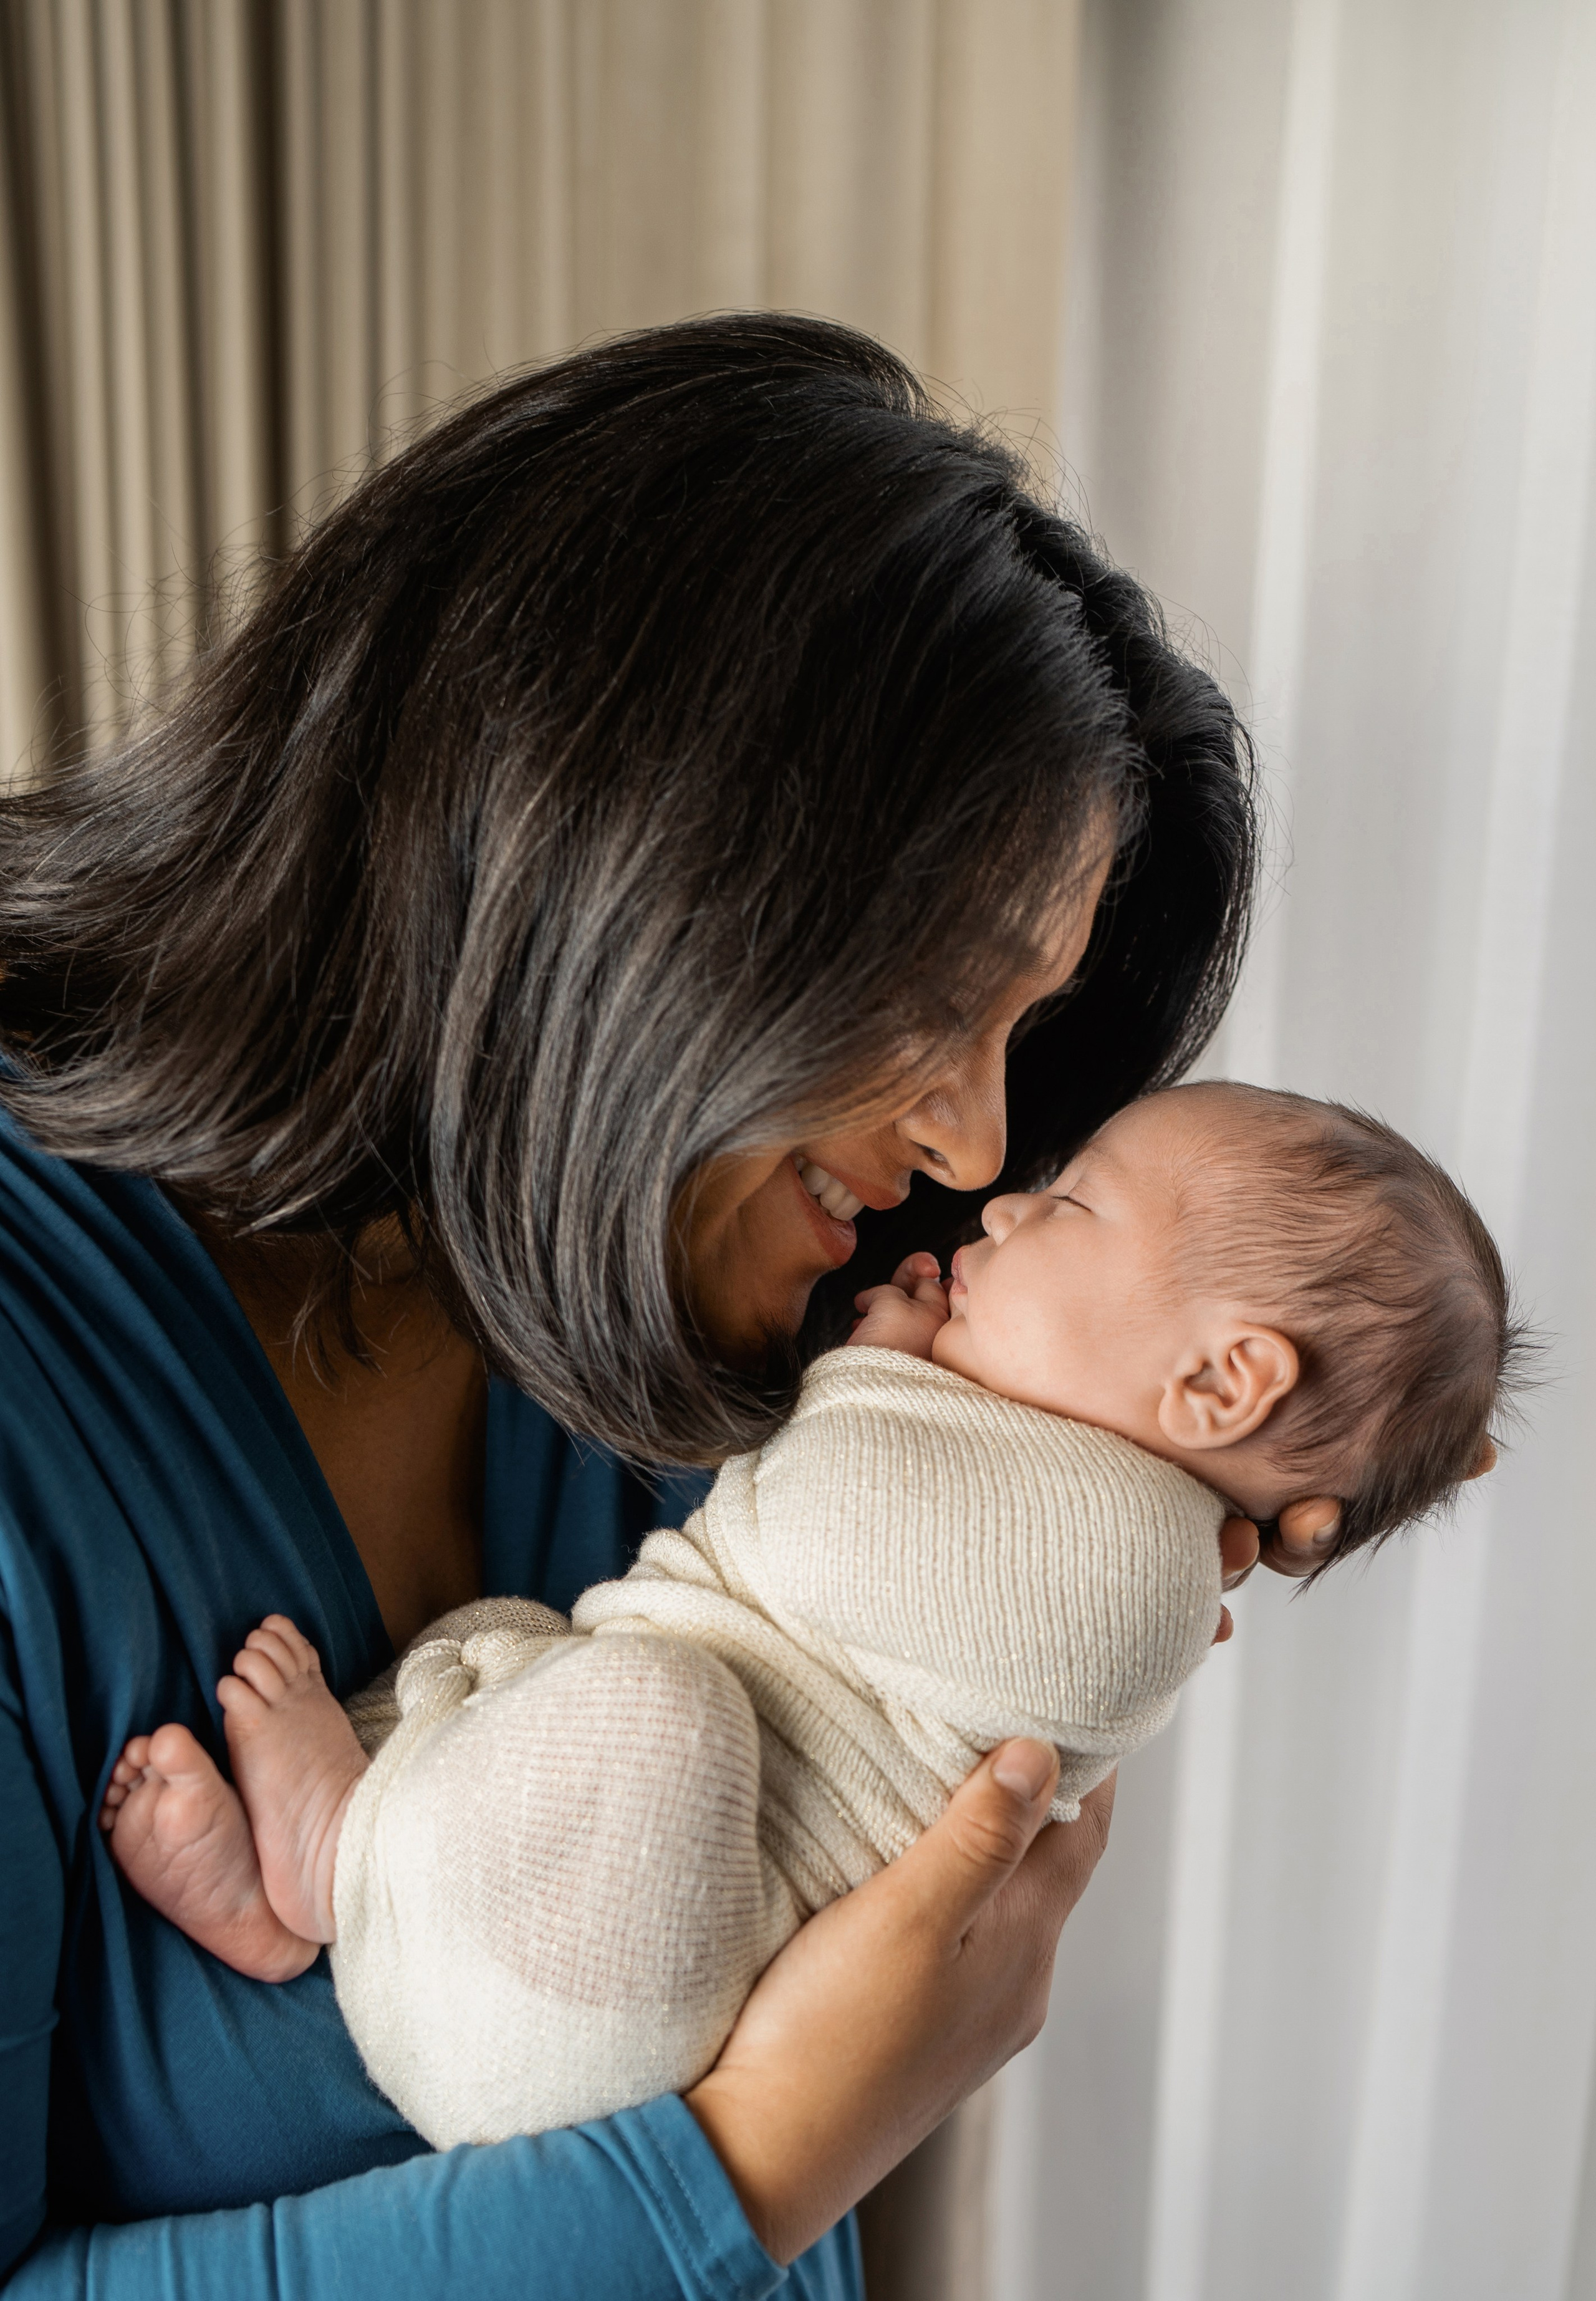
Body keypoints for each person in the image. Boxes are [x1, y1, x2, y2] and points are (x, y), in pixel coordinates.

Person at [0, 316, 1305, 2299]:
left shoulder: (713, 1314)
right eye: (935, 988)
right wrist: (760, 2154)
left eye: (1024, 1035)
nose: (973, 1141)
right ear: (624, 857)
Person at [97, 1079, 1521, 2153]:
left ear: (1216, 1389)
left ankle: (338, 1854)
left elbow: (814, 1536)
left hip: (606, 2000)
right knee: (573, 1677)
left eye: (1070, 1205)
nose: (1000, 1200)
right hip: (589, 1960)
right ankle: (322, 1877)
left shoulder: (1134, 1568)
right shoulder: (1072, 1506)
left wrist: (869, 1372)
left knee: (650, 1706)